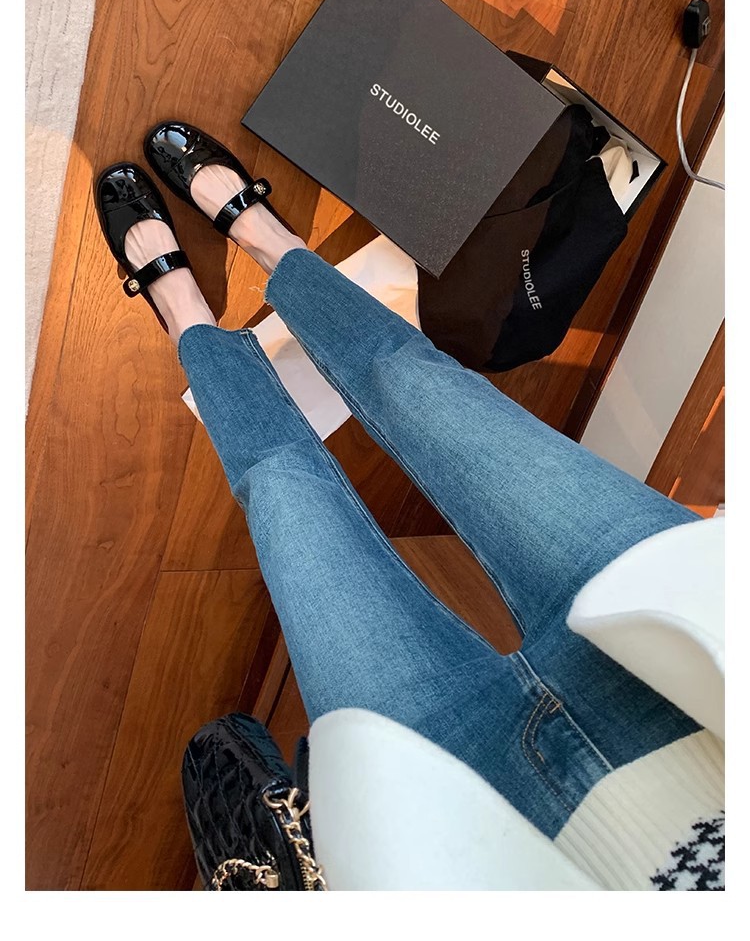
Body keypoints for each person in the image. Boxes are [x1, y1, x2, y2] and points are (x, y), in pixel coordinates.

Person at [95, 122, 724, 891]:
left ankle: (185, 313)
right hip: (696, 647)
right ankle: (269, 240)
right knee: (416, 385)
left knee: (286, 499)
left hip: (461, 856)